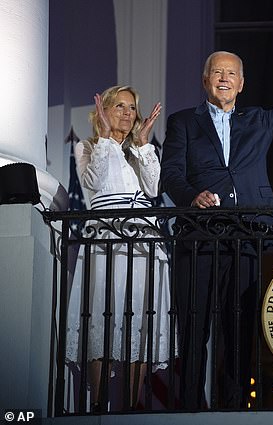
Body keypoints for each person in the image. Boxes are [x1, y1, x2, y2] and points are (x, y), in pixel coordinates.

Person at [160, 23, 273, 409]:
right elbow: (170, 173)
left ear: (241, 84)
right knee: (194, 325)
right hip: (199, 237)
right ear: (206, 81)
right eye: (217, 72)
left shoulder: (259, 120)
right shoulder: (183, 121)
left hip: (248, 235)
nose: (224, 78)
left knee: (239, 328)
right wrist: (192, 195)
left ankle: (235, 407)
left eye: (231, 73)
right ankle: (188, 408)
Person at [66, 85, 172, 412]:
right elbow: (93, 183)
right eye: (120, 106)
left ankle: (129, 407)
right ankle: (98, 405)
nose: (127, 113)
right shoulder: (88, 147)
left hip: (143, 241)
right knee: (103, 313)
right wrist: (107, 139)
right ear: (104, 111)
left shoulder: (140, 150)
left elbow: (154, 186)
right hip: (107, 239)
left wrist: (142, 146)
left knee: (140, 319)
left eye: (132, 108)